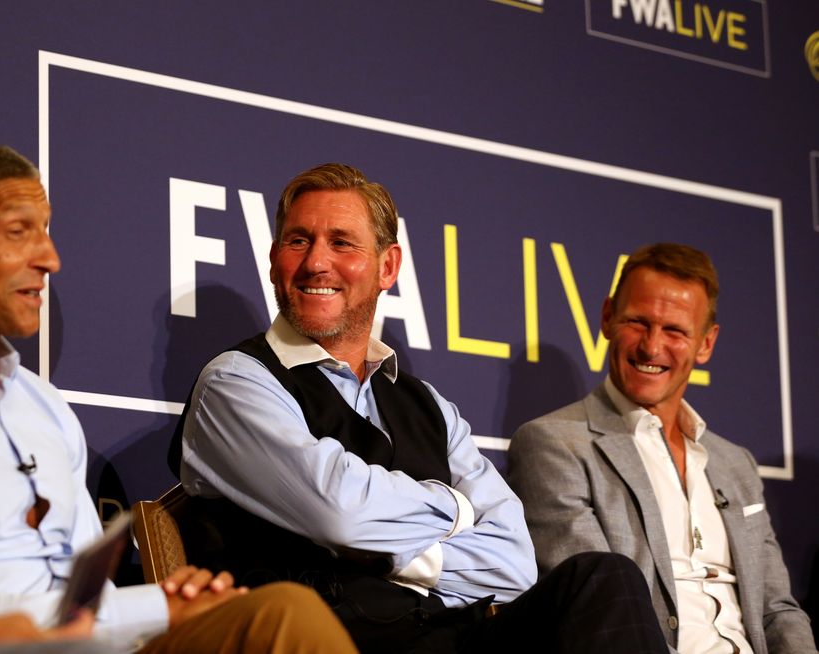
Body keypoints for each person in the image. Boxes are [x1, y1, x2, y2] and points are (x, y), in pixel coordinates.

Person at [0, 141, 356, 654]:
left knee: (278, 615)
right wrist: (157, 607)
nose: (50, 258)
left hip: (101, 644)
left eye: (46, 232)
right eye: (19, 232)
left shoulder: (38, 402)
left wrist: (165, 605)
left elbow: (91, 595)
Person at [172, 162, 669, 653]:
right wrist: (456, 508)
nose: (316, 262)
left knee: (605, 578)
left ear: (388, 266)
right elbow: (340, 513)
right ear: (274, 258)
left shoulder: (429, 406)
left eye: (341, 243)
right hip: (329, 638)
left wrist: (396, 550)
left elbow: (514, 560)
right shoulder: (236, 382)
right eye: (298, 240)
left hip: (457, 639)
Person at [508, 243, 816, 653]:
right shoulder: (554, 444)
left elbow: (778, 610)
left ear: (706, 343)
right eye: (638, 322)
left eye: (674, 331)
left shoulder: (735, 463)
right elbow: (605, 611)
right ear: (607, 319)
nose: (651, 348)